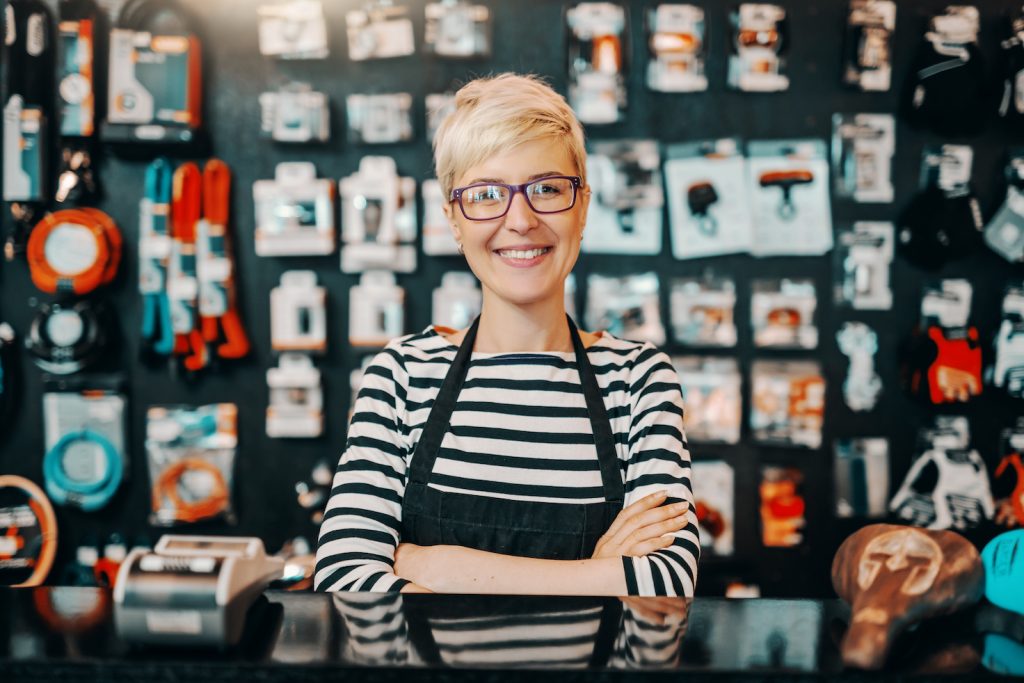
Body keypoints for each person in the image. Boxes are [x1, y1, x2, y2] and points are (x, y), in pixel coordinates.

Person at [315, 73, 699, 596]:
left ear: (583, 206)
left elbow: (666, 583)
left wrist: (437, 567)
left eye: (546, 188)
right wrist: (597, 574)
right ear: (454, 218)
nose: (520, 220)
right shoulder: (403, 375)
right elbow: (343, 577)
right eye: (486, 193)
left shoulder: (636, 380)